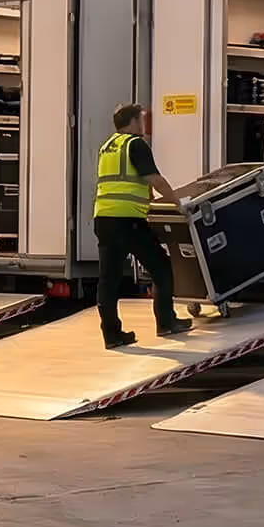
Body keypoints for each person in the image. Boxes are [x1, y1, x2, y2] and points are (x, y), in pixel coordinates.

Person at [93, 104, 193, 349]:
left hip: (104, 218)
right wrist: (178, 204)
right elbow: (154, 179)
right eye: (142, 119)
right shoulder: (135, 144)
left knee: (109, 279)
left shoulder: (108, 145)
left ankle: (112, 335)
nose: (144, 124)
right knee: (161, 267)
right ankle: (167, 323)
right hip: (127, 221)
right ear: (132, 122)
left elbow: (128, 179)